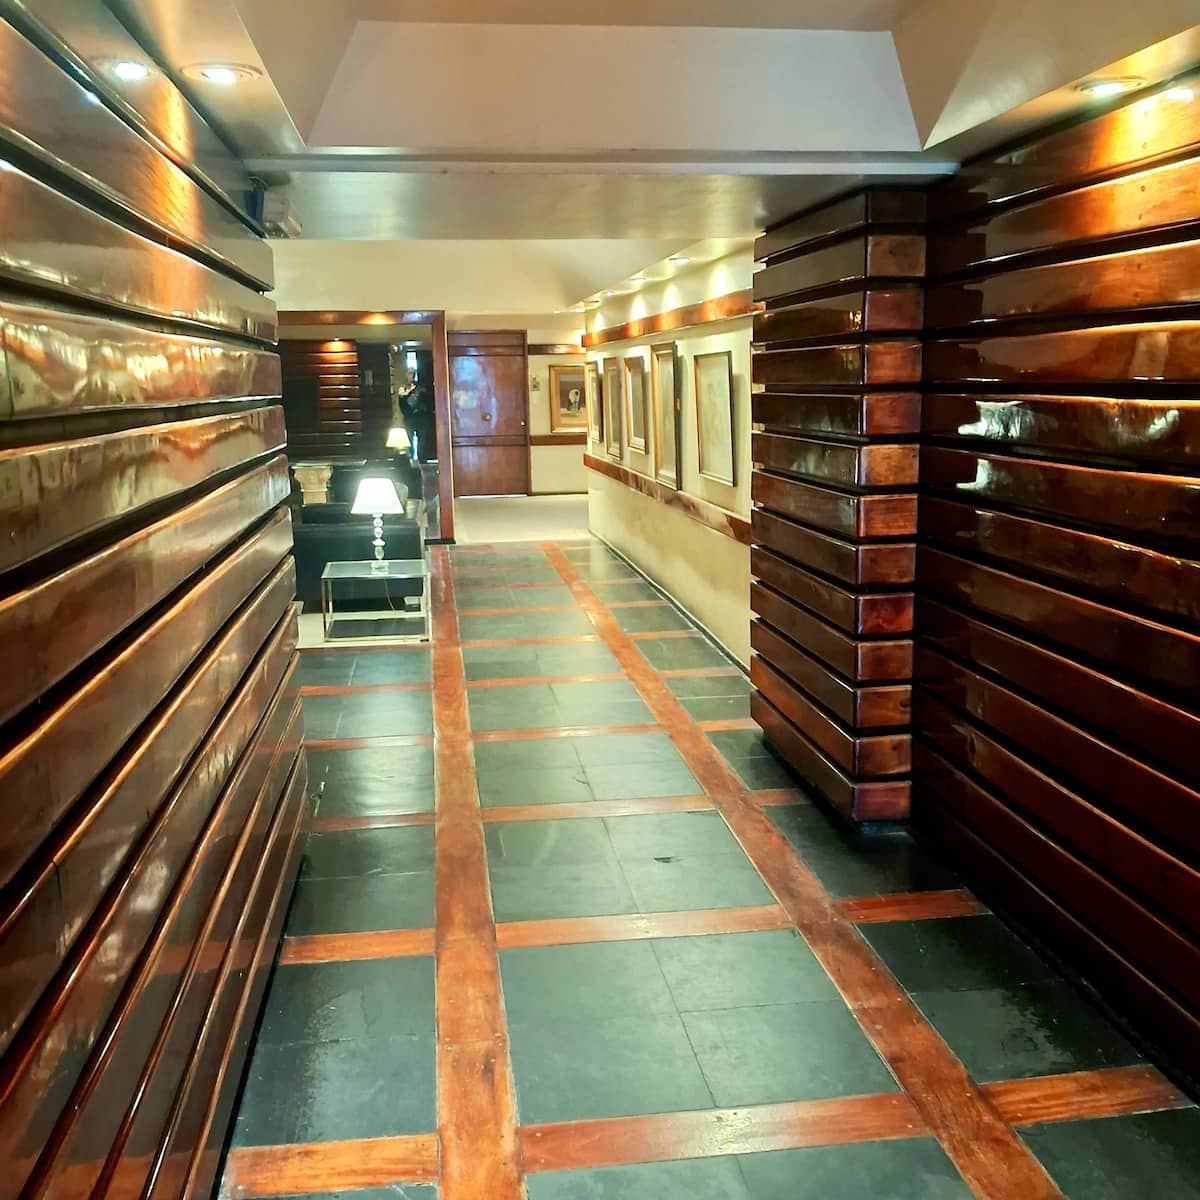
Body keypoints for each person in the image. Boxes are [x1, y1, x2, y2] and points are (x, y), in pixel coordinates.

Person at [398, 372, 436, 463]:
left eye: (412, 374)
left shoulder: (421, 387)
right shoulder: (403, 388)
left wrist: (428, 409)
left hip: (422, 416)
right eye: (409, 374)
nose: (411, 376)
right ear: (406, 375)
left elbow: (427, 399)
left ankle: (421, 457)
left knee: (422, 438)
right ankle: (411, 457)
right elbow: (402, 403)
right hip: (409, 416)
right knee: (409, 438)